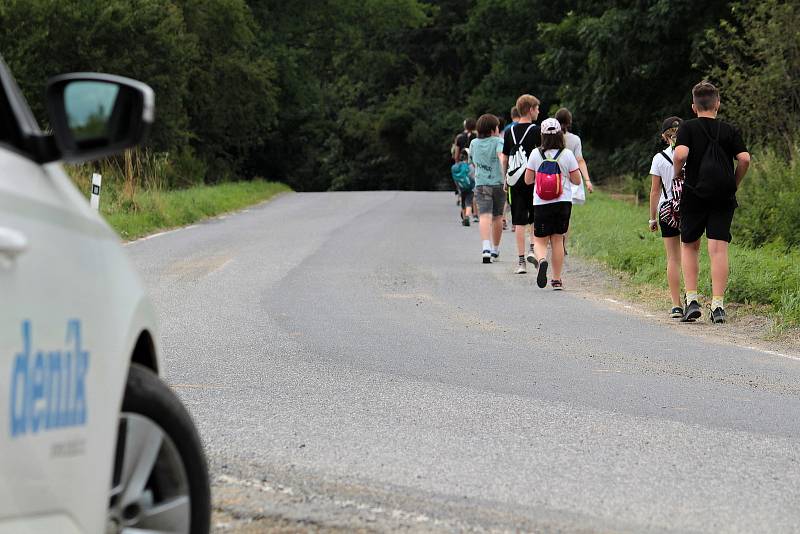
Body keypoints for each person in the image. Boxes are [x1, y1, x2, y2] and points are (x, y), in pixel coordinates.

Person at [672, 81, 750, 324]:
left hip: (695, 193)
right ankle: (718, 306)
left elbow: (681, 154)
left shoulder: (688, 128)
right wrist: (734, 183)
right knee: (718, 249)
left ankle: (692, 300)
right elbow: (745, 159)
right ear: (717, 104)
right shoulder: (729, 130)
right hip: (723, 195)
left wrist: (677, 173)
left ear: (694, 106)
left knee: (689, 245)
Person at [523, 118, 582, 289]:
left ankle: (541, 261)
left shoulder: (535, 154)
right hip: (562, 202)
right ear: (559, 134)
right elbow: (577, 180)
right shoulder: (567, 154)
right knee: (558, 240)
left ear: (542, 135)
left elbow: (528, 180)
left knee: (540, 241)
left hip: (541, 203)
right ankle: (556, 279)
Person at [648, 116, 685, 318]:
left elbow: (654, 191)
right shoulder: (692, 154)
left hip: (666, 210)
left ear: (664, 136)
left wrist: (652, 218)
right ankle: (692, 297)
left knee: (673, 258)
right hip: (690, 210)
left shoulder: (658, 159)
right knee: (690, 254)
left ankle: (676, 305)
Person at [500, 94, 541, 274]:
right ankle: (533, 248)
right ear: (530, 109)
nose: (538, 111)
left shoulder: (509, 131)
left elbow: (505, 158)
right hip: (533, 179)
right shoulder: (537, 130)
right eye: (537, 108)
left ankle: (521, 262)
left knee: (518, 221)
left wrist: (505, 179)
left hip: (515, 180)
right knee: (534, 216)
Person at [555, 108, 592, 256]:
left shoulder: (548, 137)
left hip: (550, 179)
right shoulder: (575, 139)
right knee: (565, 215)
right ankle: (563, 243)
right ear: (570, 122)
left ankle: (554, 242)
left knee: (552, 212)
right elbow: (580, 160)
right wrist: (587, 180)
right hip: (568, 181)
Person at [469, 114, 505, 263]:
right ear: (492, 129)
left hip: (481, 183)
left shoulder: (473, 143)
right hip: (498, 183)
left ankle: (486, 248)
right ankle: (495, 249)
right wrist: (506, 177)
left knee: (484, 215)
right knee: (497, 217)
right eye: (497, 127)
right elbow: (502, 157)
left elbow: (473, 162)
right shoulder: (498, 141)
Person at [451, 149, 475, 226]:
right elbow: (473, 177)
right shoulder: (470, 166)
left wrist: (458, 187)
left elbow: (455, 179)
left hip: (461, 187)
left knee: (463, 203)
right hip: (470, 187)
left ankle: (464, 218)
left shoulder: (455, 167)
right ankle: (467, 216)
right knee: (469, 203)